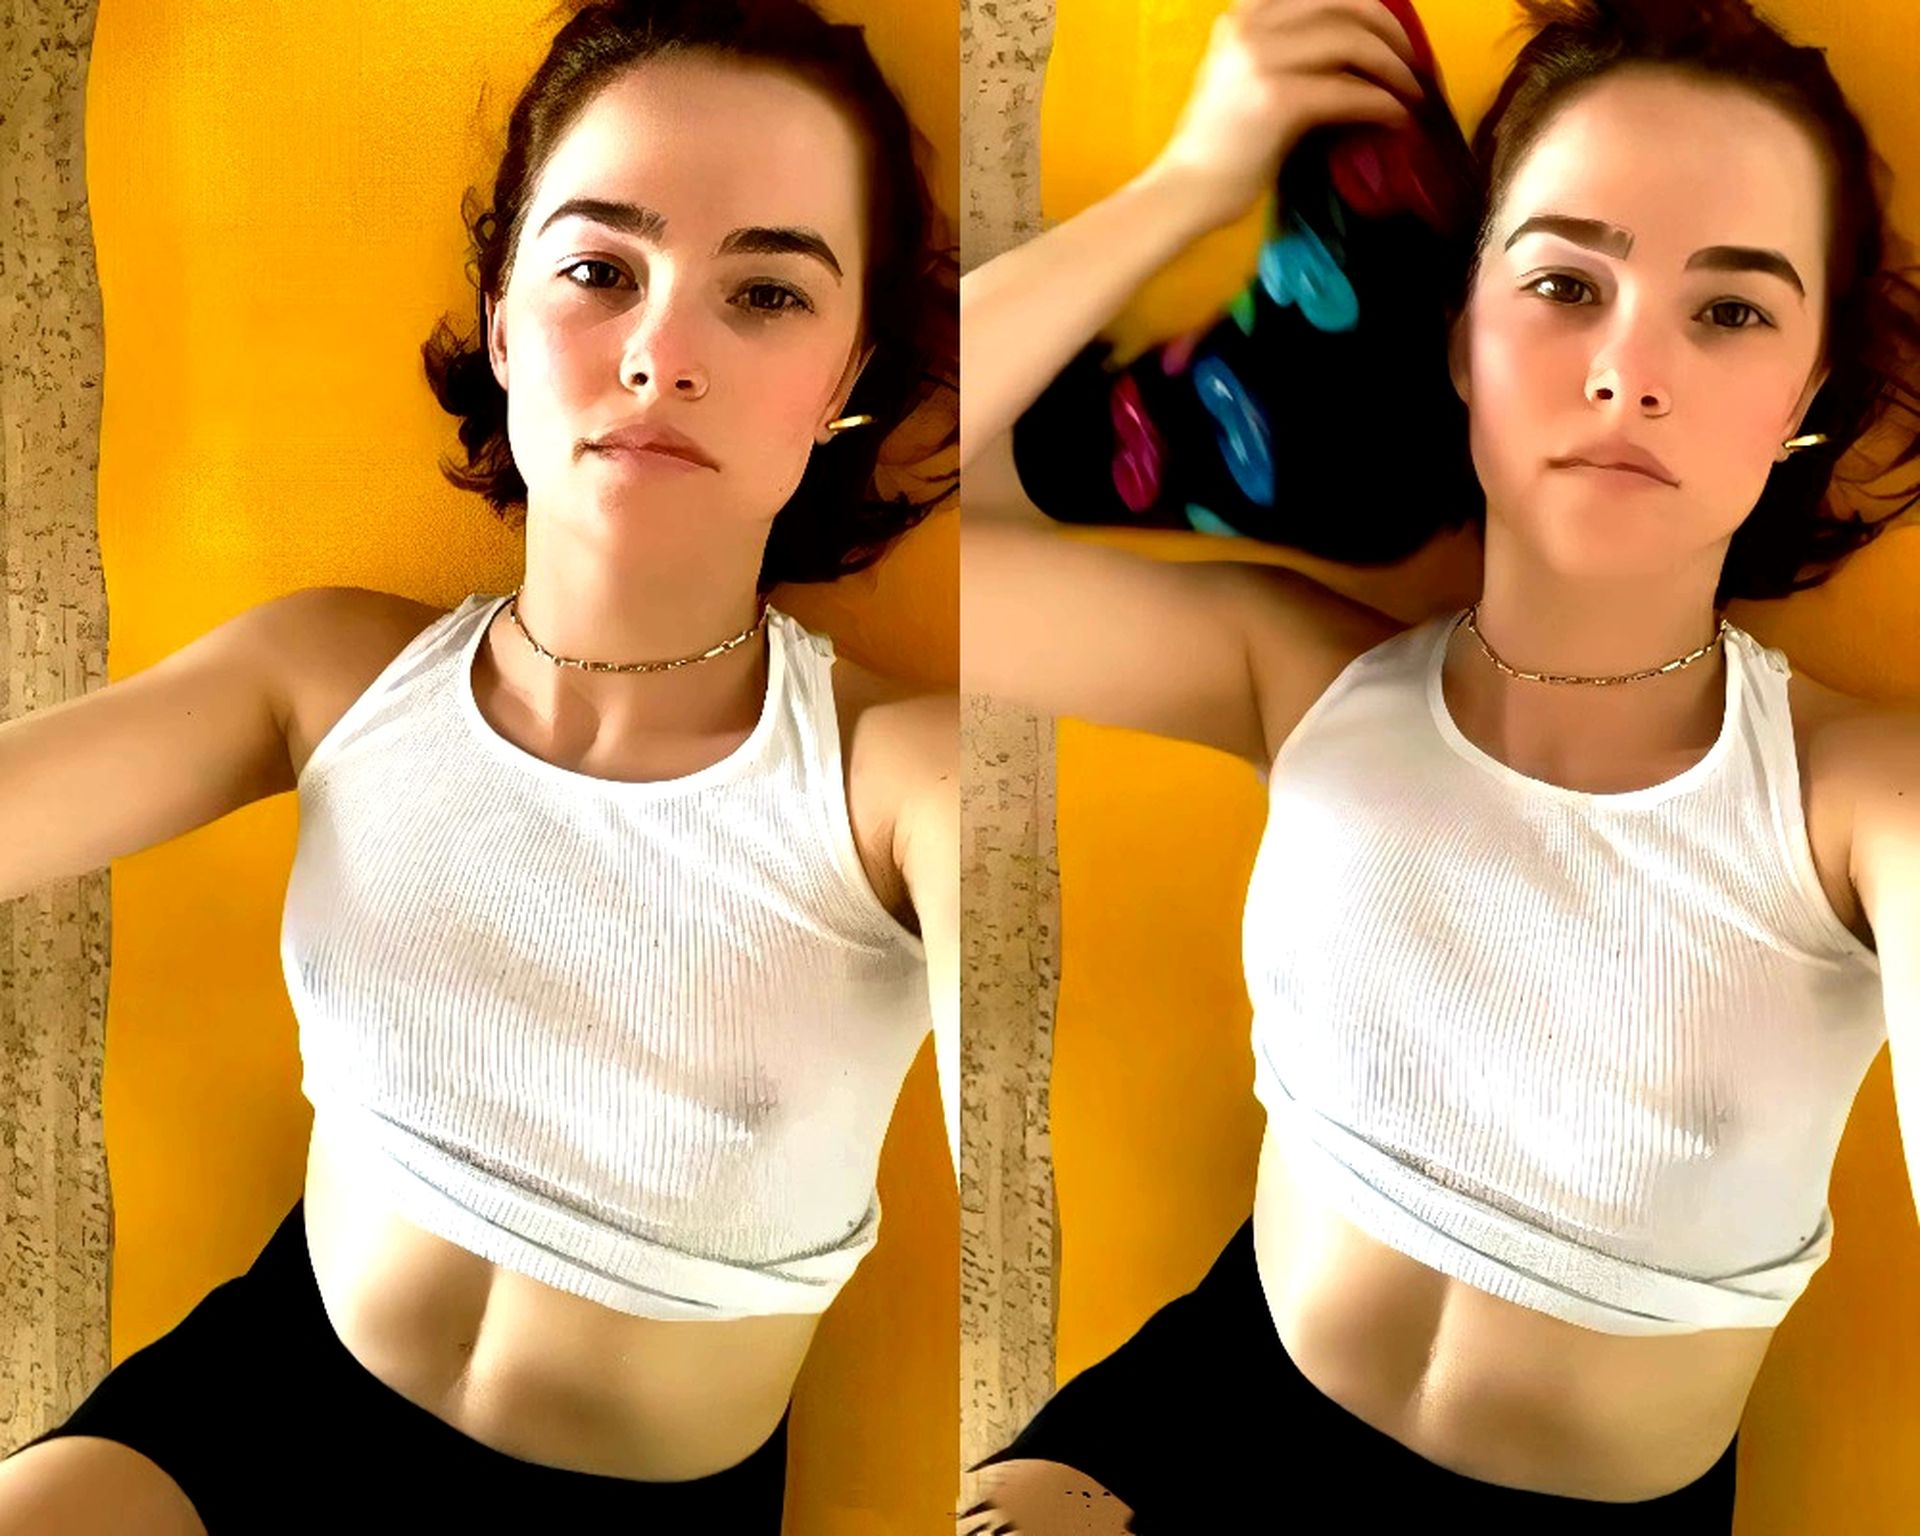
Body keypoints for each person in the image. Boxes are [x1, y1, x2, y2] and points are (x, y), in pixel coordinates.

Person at [958, 0, 1920, 1530]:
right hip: (1204, 1416)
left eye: (1731, 312)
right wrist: (1194, 181)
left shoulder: (1864, 805)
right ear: (1463, 340)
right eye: (1564, 283)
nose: (1631, 370)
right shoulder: (1305, 679)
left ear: (1803, 401)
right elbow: (867, 484)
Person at [0, 1, 958, 1530]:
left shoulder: (904, 784)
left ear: (850, 372)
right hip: (253, 1410)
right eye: (600, 271)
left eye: (766, 293)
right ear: (506, 318)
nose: (659, 355)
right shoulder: (329, 674)